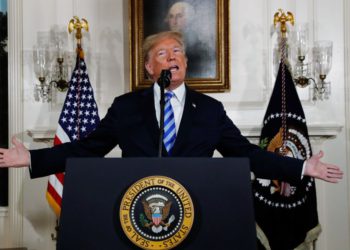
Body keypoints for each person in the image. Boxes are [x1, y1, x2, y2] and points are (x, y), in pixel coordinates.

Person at [0, 31, 343, 183]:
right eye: (162, 54)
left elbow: (245, 154)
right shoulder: (126, 107)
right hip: (136, 205)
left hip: (196, 208)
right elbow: (89, 149)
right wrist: (31, 158)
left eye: (177, 52)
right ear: (149, 68)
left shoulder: (209, 110)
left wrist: (299, 169)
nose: (172, 58)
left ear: (186, 63)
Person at [164, 2, 216, 79]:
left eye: (179, 16)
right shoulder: (163, 44)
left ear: (190, 19)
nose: (174, 21)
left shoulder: (200, 47)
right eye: (171, 17)